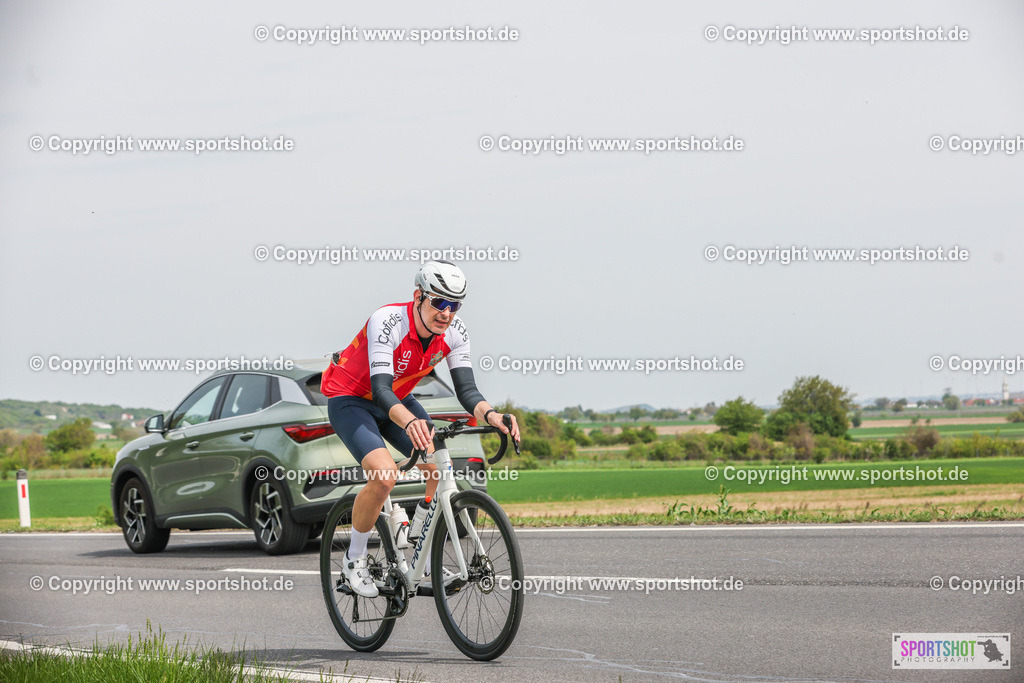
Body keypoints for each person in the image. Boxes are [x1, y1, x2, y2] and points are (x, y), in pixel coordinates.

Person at [322, 261, 520, 597]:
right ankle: (354, 559)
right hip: (352, 398)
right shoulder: (388, 321)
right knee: (384, 476)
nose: (446, 312)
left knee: (439, 466)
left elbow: (468, 391)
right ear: (418, 296)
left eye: (454, 305)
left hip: (396, 399)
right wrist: (410, 421)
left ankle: (419, 548)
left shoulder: (456, 334)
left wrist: (493, 416)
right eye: (438, 302)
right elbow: (381, 388)